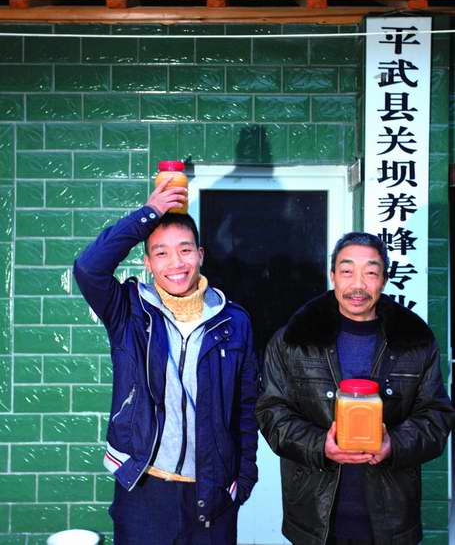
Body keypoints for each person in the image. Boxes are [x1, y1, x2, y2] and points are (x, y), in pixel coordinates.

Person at [74, 177, 258, 545]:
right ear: (147, 263)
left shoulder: (233, 321)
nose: (176, 263)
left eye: (185, 250)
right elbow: (89, 268)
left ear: (200, 255)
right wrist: (149, 213)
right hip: (144, 488)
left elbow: (246, 405)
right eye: (161, 253)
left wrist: (244, 478)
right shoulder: (128, 310)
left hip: (211, 490)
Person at [256, 232, 455, 545]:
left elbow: (437, 416)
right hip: (314, 515)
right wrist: (319, 445)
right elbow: (272, 412)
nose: (358, 285)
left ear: (384, 279)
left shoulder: (414, 339)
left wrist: (394, 445)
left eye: (371, 273)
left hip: (392, 517)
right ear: (333, 275)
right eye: (347, 271)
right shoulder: (294, 339)